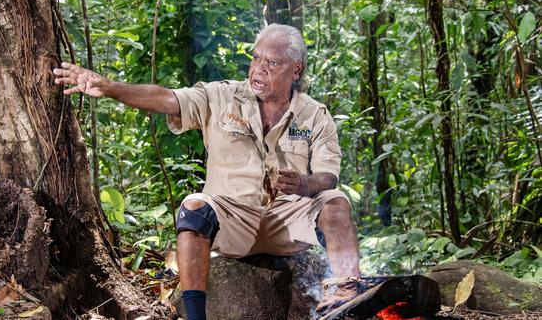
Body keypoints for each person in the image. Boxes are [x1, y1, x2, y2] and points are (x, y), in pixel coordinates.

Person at [53, 24, 360, 320]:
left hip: (289, 222)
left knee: (336, 202)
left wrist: (305, 183)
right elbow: (167, 98)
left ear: (296, 70)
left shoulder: (314, 114)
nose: (259, 69)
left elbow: (327, 176)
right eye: (256, 58)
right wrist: (109, 87)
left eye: (273, 62)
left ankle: (347, 301)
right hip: (233, 220)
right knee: (194, 208)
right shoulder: (221, 96)